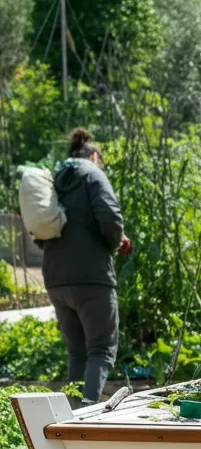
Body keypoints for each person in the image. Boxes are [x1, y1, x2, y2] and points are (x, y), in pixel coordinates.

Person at [43, 128, 131, 405]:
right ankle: (87, 416)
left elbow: (41, 226)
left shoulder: (56, 179)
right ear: (93, 156)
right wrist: (115, 244)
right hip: (92, 277)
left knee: (77, 353)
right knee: (101, 349)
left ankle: (69, 416)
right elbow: (111, 218)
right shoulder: (93, 174)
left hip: (56, 278)